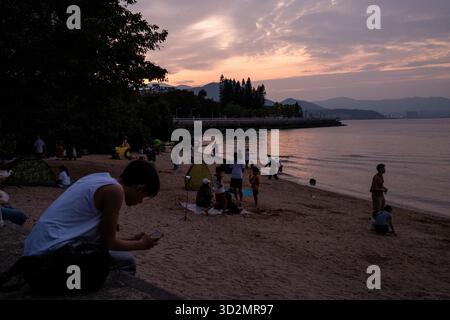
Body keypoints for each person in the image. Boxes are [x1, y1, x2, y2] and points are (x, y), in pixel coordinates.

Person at [23, 160, 160, 275]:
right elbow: (109, 244)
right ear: (139, 188)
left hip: (36, 247)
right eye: (144, 197)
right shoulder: (115, 191)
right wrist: (141, 245)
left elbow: (101, 240)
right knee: (127, 263)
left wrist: (130, 240)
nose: (141, 201)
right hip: (47, 255)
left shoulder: (99, 178)